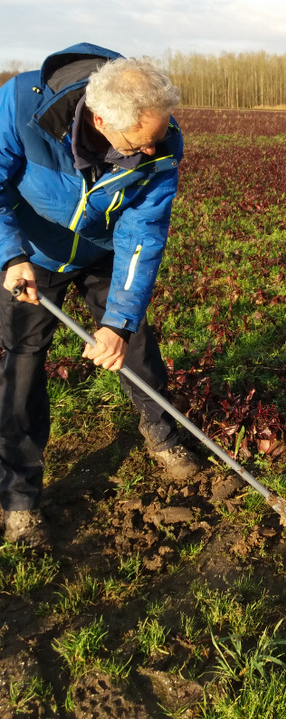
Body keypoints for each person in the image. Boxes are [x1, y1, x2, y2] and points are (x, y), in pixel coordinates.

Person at [0, 43, 200, 549]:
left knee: (134, 345)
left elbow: (144, 233)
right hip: (33, 255)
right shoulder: (21, 104)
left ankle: (165, 438)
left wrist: (118, 322)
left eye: (158, 137)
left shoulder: (163, 142)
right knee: (22, 364)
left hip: (103, 250)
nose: (154, 149)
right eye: (142, 140)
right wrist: (9, 254)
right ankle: (19, 499)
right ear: (102, 118)